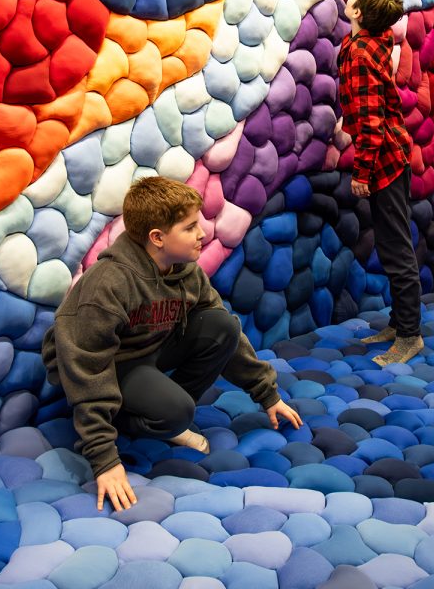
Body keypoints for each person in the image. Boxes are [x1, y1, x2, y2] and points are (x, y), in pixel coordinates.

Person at [42, 176, 302, 512]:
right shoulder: (109, 284)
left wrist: (267, 393)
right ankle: (138, 419)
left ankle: (164, 412)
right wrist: (105, 460)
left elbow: (226, 332)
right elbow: (87, 367)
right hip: (105, 365)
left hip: (148, 347)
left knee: (221, 325)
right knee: (178, 411)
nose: (203, 234)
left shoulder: (184, 271)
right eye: (190, 227)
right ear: (157, 238)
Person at [322, 0, 423, 367]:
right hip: (391, 155)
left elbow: (371, 125)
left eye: (354, 3)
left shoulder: (361, 55)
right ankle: (400, 323)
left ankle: (411, 335)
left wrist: (361, 173)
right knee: (391, 243)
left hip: (383, 161)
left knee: (396, 249)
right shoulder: (374, 30)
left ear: (359, 15)